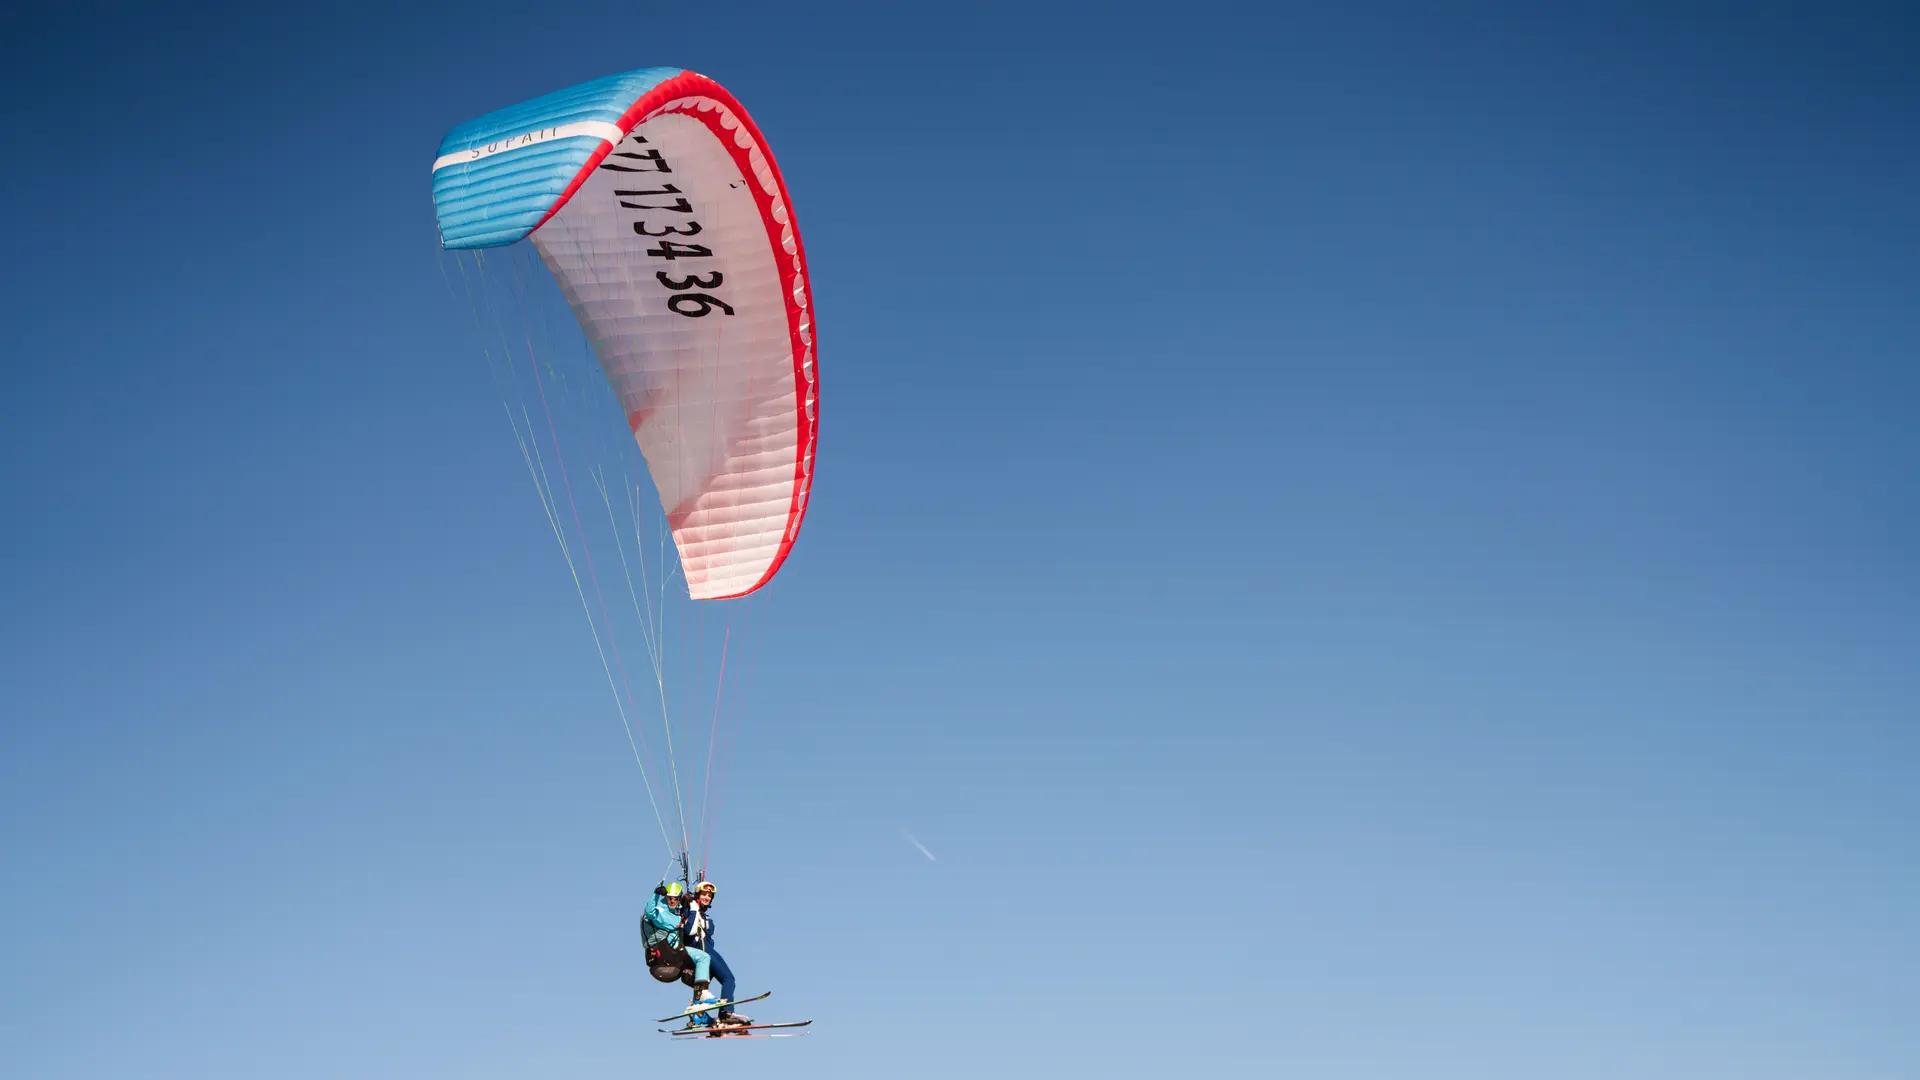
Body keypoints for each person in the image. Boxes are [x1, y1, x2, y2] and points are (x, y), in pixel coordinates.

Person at [684, 880, 750, 1026]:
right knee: (728, 979)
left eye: (710, 895)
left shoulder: (705, 916)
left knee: (703, 987)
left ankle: (698, 1014)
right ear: (697, 895)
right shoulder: (691, 910)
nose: (707, 898)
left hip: (704, 950)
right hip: (703, 951)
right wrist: (692, 905)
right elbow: (689, 931)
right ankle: (726, 1013)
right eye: (704, 894)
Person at [642, 881, 712, 1014]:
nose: (672, 901)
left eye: (675, 898)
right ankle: (702, 994)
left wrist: (688, 900)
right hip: (670, 953)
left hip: (675, 951)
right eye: (669, 898)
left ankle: (697, 1009)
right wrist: (656, 894)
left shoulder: (674, 909)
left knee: (699, 966)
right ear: (665, 897)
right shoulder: (661, 912)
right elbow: (650, 912)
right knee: (704, 957)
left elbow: (679, 910)